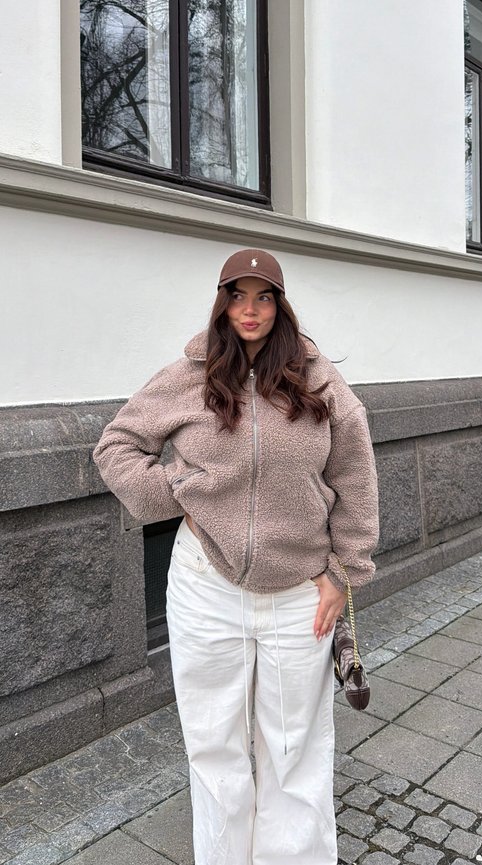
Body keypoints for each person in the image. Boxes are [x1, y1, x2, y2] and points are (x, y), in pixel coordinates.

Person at [93, 248, 379, 865]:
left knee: (294, 750)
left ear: (281, 305)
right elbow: (116, 445)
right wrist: (176, 492)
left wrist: (342, 575)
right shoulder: (190, 376)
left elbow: (355, 477)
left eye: (264, 296)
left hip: (300, 592)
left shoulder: (318, 380)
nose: (250, 310)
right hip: (206, 586)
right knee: (215, 747)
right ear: (222, 302)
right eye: (238, 295)